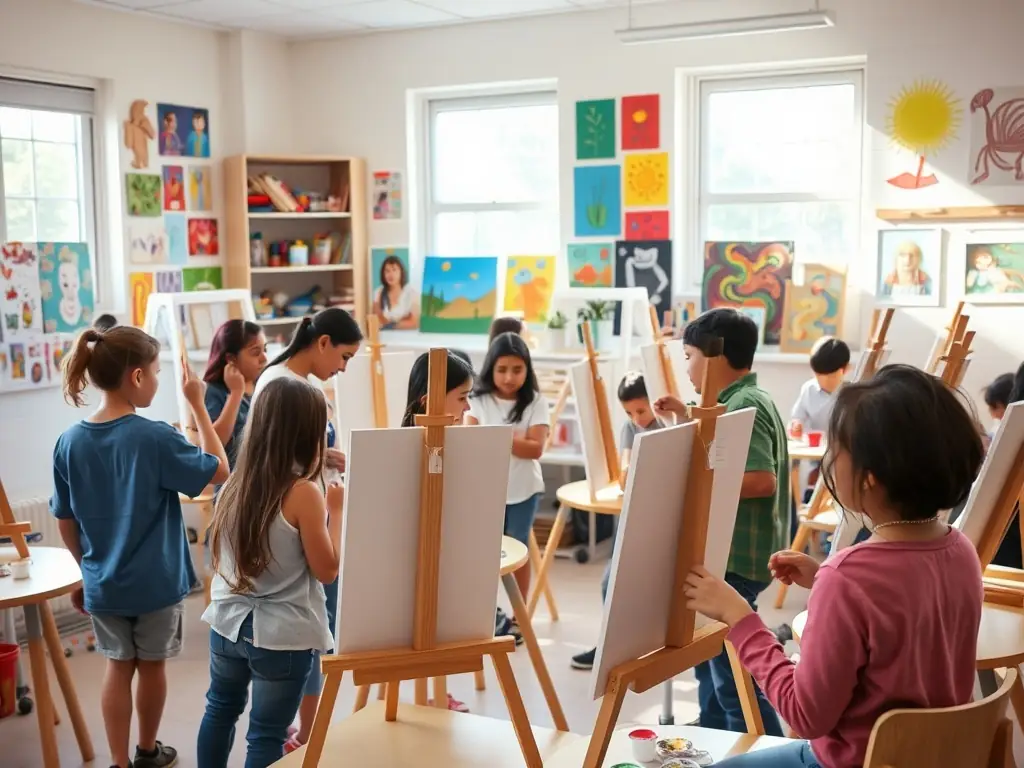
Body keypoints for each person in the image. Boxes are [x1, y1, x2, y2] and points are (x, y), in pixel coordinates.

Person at [686, 365, 985, 768]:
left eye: (836, 449)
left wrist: (739, 617)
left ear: (870, 478)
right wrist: (825, 579)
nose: (829, 459)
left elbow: (806, 716)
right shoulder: (960, 549)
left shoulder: (848, 578)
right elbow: (899, 608)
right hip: (935, 758)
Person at [51, 326, 229, 768]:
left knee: (117, 665)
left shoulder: (69, 442)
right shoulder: (155, 437)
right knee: (151, 666)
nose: (156, 381)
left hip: (104, 583)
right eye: (154, 373)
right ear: (135, 377)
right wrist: (197, 405)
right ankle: (148, 751)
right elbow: (220, 470)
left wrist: (86, 570)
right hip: (157, 582)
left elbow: (65, 520)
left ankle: (117, 760)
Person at [655, 307, 788, 736]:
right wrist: (683, 415)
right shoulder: (740, 400)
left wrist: (699, 482)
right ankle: (713, 732)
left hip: (736, 561)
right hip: (732, 557)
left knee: (736, 679)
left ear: (715, 357)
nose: (687, 367)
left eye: (690, 356)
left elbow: (761, 479)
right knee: (713, 660)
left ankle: (761, 743)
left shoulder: (743, 404)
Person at [198, 378, 341, 768]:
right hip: (281, 635)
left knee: (219, 709)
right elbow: (327, 570)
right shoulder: (304, 493)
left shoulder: (234, 483)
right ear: (308, 434)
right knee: (266, 734)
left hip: (227, 622)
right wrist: (339, 512)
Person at [254, 308, 359, 752]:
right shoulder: (281, 384)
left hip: (310, 509)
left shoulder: (298, 383)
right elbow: (274, 456)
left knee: (321, 622)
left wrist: (325, 458)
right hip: (302, 518)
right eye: (344, 356)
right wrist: (321, 465)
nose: (343, 367)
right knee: (317, 622)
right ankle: (308, 729)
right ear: (323, 343)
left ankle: (309, 727)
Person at [571, 371, 664, 671]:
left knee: (643, 587)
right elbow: (626, 470)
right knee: (610, 583)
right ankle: (613, 646)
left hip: (659, 520)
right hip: (633, 514)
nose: (636, 418)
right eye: (629, 412)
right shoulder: (631, 427)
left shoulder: (668, 426)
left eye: (641, 410)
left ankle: (630, 647)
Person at [400, 348, 476, 713]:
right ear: (429, 402)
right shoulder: (403, 450)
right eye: (462, 398)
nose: (467, 408)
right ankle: (419, 694)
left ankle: (437, 690)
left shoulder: (456, 444)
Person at [466, 333, 550, 638]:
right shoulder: (476, 399)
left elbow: (536, 449)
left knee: (518, 550)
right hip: (486, 491)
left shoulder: (536, 402)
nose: (509, 377)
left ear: (527, 369)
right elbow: (471, 441)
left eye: (517, 369)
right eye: (502, 369)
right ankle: (487, 614)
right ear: (491, 368)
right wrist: (515, 439)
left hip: (523, 489)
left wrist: (498, 437)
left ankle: (519, 615)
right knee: (484, 551)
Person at [203, 320, 268, 469]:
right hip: (234, 486)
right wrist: (236, 393)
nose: (264, 358)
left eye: (265, 349)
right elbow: (215, 445)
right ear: (231, 359)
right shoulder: (214, 392)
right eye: (255, 352)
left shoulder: (265, 383)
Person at [789, 336, 850, 438]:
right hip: (816, 448)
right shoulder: (809, 389)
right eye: (818, 376)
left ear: (845, 369)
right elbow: (797, 417)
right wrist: (796, 425)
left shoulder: (852, 393)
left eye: (831, 376)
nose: (824, 381)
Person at [373, 255, 419, 330]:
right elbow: (375, 321)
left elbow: (414, 322)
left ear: (401, 272)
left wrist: (389, 325)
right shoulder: (379, 292)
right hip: (384, 337)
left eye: (394, 270)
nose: (391, 274)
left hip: (407, 337)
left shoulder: (410, 292)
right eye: (387, 271)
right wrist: (402, 320)